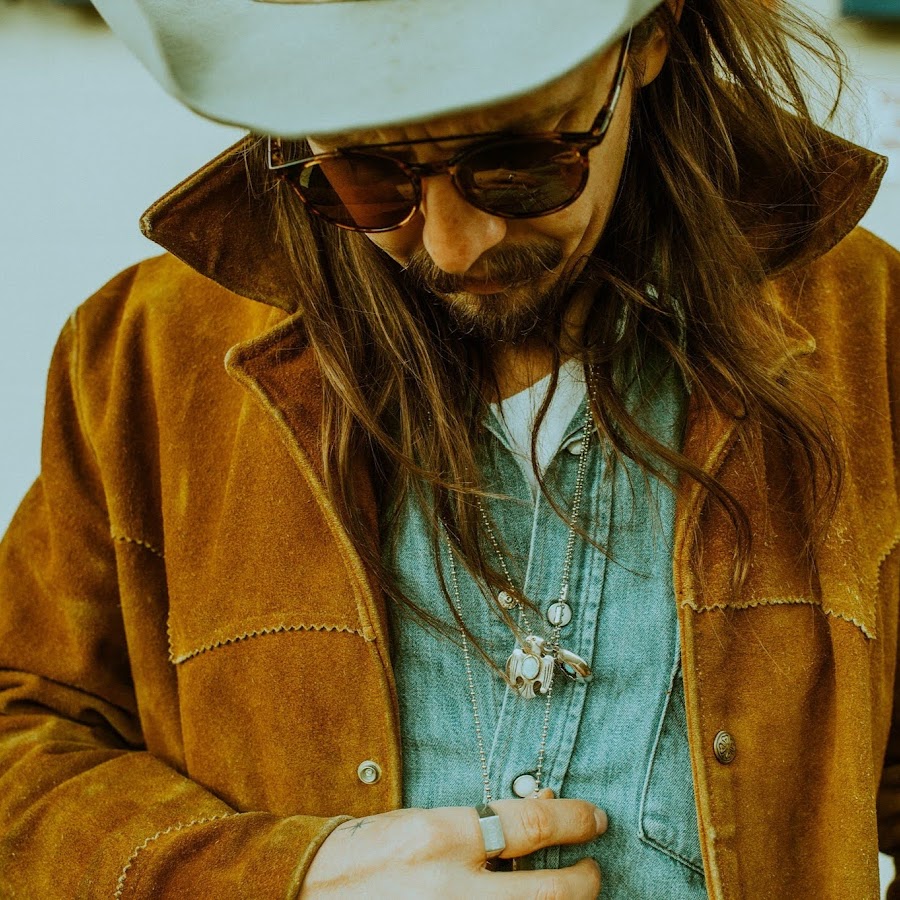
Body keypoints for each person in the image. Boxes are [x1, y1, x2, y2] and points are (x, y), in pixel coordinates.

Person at [0, 0, 897, 896]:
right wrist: (285, 881)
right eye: (366, 180)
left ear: (650, 39)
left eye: (518, 167)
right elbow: (21, 744)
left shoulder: (872, 329)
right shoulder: (144, 356)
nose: (451, 246)